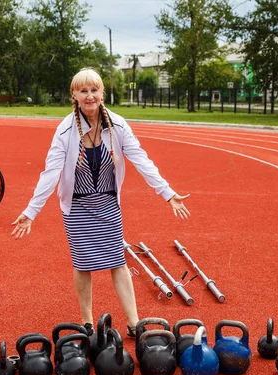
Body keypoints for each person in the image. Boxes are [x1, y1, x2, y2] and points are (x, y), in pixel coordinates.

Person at [11, 67, 190, 338]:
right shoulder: (64, 131)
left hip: (107, 204)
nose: (89, 96)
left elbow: (141, 159)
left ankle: (134, 323)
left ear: (102, 93)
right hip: (78, 207)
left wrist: (167, 193)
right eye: (83, 91)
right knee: (83, 264)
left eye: (94, 90)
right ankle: (87, 321)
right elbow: (51, 173)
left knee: (118, 261)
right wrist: (31, 211)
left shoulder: (117, 125)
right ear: (74, 94)